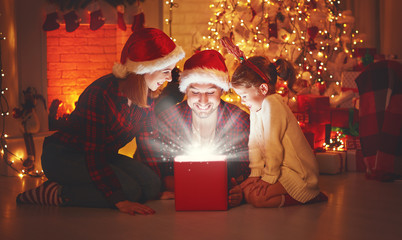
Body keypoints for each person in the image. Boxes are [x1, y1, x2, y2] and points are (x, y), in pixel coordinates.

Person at [16, 28, 185, 215]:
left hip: (102, 156)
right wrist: (119, 200)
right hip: (65, 155)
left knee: (152, 185)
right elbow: (93, 153)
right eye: (166, 71)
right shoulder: (101, 93)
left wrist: (157, 189)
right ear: (145, 68)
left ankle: (94, 187)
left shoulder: (147, 96)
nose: (169, 78)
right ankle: (57, 193)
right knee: (130, 191)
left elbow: (148, 143)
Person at [136, 50, 250, 207]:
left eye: (210, 92)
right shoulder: (168, 119)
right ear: (186, 91)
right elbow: (154, 162)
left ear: (222, 91)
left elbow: (249, 167)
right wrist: (163, 185)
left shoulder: (239, 120)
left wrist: (240, 191)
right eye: (195, 92)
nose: (203, 101)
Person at [229, 55, 328, 208]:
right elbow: (254, 143)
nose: (242, 101)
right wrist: (255, 173)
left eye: (244, 96)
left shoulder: (272, 104)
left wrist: (268, 177)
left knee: (257, 198)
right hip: (280, 170)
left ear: (263, 89)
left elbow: (272, 145)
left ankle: (311, 195)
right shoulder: (256, 109)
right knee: (248, 191)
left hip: (299, 174)